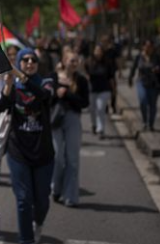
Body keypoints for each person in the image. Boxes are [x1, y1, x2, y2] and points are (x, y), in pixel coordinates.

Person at [0, 47, 54, 244]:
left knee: (42, 201)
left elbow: (43, 96)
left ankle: (38, 222)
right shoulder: (14, 85)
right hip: (18, 152)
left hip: (43, 154)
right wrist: (8, 84)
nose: (30, 63)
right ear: (20, 62)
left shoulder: (46, 83)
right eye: (25, 60)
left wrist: (20, 76)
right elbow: (2, 107)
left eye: (33, 60)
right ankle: (26, 240)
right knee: (23, 200)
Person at [50, 50, 89, 208]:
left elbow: (85, 103)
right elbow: (45, 98)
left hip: (73, 119)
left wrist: (67, 94)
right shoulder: (53, 78)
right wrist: (56, 94)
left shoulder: (81, 80)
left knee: (72, 159)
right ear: (64, 61)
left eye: (76, 61)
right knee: (58, 157)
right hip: (55, 120)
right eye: (71, 60)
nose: (74, 64)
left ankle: (70, 196)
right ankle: (56, 188)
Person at [128, 39, 160, 131]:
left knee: (152, 104)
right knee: (143, 101)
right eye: (146, 46)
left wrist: (158, 69)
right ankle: (144, 122)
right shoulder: (139, 56)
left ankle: (151, 124)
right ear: (143, 47)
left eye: (150, 46)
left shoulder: (157, 57)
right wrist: (130, 78)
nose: (148, 48)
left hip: (154, 83)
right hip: (141, 82)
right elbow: (133, 68)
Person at [85, 44, 115, 139]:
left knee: (100, 108)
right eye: (96, 50)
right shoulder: (89, 62)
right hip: (92, 90)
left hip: (104, 89)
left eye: (100, 50)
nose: (98, 52)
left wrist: (114, 90)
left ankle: (101, 129)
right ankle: (94, 124)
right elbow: (83, 71)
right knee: (92, 110)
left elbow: (111, 77)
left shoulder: (107, 63)